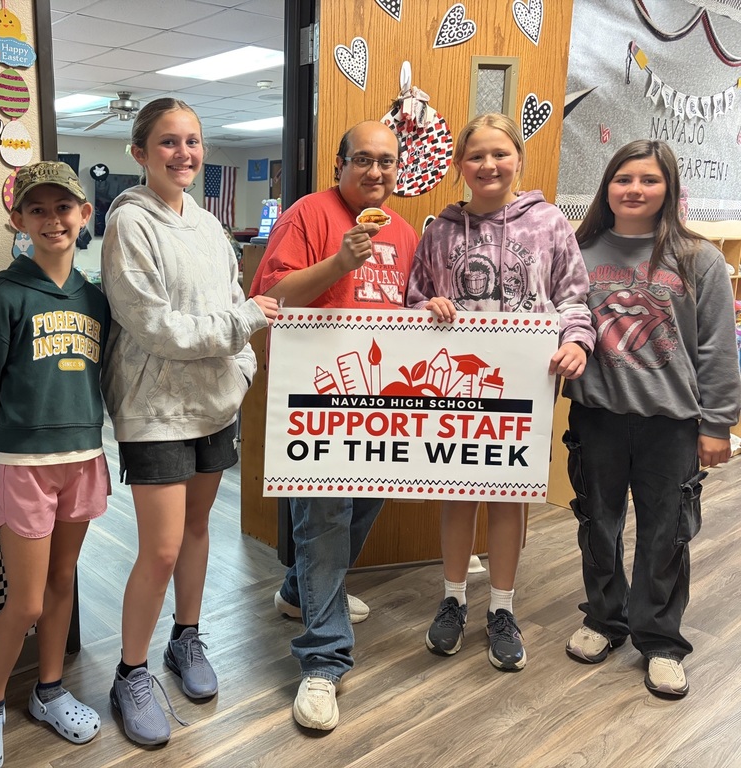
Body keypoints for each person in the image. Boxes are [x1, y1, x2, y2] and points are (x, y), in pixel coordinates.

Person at [100, 98, 279, 746]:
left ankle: (186, 637)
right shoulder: (129, 223)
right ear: (140, 152)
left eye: (193, 142)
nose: (184, 154)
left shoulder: (208, 227)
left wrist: (243, 373)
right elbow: (154, 326)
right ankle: (131, 671)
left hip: (213, 404)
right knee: (163, 547)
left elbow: (234, 300)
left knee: (200, 528)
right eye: (169, 142)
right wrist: (247, 323)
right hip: (155, 410)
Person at [407, 112, 595, 672]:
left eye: (500, 153)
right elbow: (413, 298)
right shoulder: (438, 232)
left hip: (525, 386)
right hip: (455, 385)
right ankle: (454, 597)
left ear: (518, 158)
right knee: (459, 493)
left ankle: (503, 608)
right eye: (476, 156)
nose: (488, 165)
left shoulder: (550, 224)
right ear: (459, 165)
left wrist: (577, 343)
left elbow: (574, 297)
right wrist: (426, 309)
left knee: (509, 496)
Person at [250, 119, 418, 730]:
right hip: (317, 400)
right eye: (363, 161)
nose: (376, 172)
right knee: (322, 516)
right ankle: (323, 662)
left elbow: (406, 307)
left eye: (387, 162)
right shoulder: (308, 215)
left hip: (380, 401)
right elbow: (273, 298)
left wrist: (433, 309)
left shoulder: (402, 231)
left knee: (366, 502)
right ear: (339, 166)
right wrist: (339, 260)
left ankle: (301, 592)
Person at [562, 139, 740, 698]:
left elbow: (716, 347)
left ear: (668, 189)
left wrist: (718, 423)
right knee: (598, 524)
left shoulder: (698, 257)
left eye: (649, 180)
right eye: (623, 179)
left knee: (667, 535)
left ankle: (660, 640)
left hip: (672, 423)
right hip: (597, 417)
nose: (635, 190)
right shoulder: (577, 250)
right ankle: (604, 620)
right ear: (607, 187)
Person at [0, 162, 109, 766]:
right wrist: (11, 440)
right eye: (38, 209)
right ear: (17, 219)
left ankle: (48, 690)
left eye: (63, 208)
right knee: (24, 600)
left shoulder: (96, 297)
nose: (53, 219)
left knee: (62, 579)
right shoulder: (3, 295)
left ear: (84, 216)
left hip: (85, 456)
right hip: (21, 461)